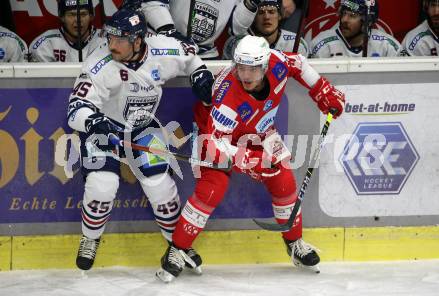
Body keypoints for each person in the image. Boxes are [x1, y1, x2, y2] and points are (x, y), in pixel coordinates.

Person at [156, 35, 345, 283]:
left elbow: (299, 63)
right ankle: (177, 250)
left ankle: (294, 243)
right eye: (241, 67)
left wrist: (322, 90)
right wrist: (250, 160)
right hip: (213, 133)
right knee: (212, 188)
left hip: (259, 129)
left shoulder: (277, 62)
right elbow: (216, 142)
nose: (245, 74)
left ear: (265, 66)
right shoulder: (227, 96)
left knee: (283, 179)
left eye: (252, 68)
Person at [67, 7, 214, 271]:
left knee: (161, 187)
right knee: (102, 185)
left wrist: (200, 72)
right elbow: (76, 106)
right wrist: (91, 120)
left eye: (120, 39)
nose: (112, 44)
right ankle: (90, 238)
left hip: (143, 129)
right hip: (105, 129)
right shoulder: (98, 63)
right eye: (110, 38)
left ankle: (177, 245)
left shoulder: (163, 49)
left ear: (138, 40)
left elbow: (190, 56)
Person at [123, 0, 263, 59]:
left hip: (207, 55)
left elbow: (236, 29)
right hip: (167, 50)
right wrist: (170, 32)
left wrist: (250, 4)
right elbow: (152, 3)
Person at [310, 0, 400, 58]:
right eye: (344, 13)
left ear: (368, 22)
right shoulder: (322, 43)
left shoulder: (387, 45)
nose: (344, 19)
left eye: (352, 15)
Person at [222, 0, 308, 59]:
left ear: (280, 16)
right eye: (261, 12)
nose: (266, 17)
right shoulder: (237, 44)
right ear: (253, 17)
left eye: (271, 12)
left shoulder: (297, 43)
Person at [29, 0, 104, 62]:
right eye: (71, 14)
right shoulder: (45, 44)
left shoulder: (106, 40)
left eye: (83, 14)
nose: (78, 20)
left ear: (91, 16)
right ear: (62, 17)